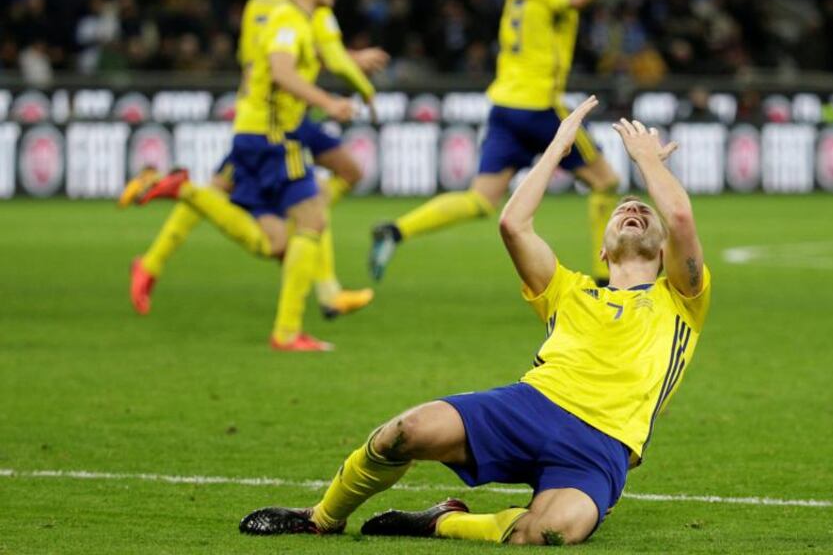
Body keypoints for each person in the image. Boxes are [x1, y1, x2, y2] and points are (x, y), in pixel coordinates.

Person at [238, 96, 712, 544]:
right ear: (602, 252)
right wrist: (556, 149)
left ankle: (442, 522)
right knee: (401, 433)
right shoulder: (567, 288)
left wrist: (648, 161)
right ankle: (321, 518)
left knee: (550, 533)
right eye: (622, 210)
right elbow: (513, 225)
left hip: (601, 445)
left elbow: (680, 218)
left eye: (643, 211)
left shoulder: (681, 297)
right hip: (532, 406)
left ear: (665, 251)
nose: (633, 208)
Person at [122, 0, 390, 320]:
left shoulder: (318, 5)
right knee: (227, 192)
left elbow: (328, 55)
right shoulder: (268, 7)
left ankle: (323, 282)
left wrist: (358, 76)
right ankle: (152, 261)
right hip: (267, 121)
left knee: (344, 175)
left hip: (295, 114)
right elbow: (262, 65)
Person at [368, 0, 620, 284]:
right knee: (605, 181)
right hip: (540, 105)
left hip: (504, 106)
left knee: (481, 198)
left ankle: (396, 230)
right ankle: (607, 281)